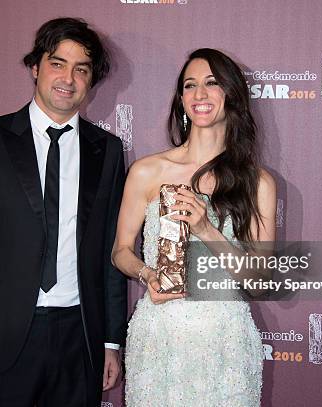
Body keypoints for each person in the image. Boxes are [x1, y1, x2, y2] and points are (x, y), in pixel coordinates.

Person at [0, 17, 127, 407]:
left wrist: (110, 340)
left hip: (80, 340)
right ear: (36, 67)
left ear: (92, 80)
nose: (68, 78)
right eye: (58, 63)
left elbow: (111, 255)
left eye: (81, 69)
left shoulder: (107, 150)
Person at [112, 48, 276, 406]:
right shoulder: (147, 171)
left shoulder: (257, 182)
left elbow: (260, 283)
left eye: (211, 83)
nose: (199, 94)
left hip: (225, 341)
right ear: (181, 99)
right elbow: (120, 251)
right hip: (161, 336)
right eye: (190, 85)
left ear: (231, 95)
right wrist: (146, 274)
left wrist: (207, 229)